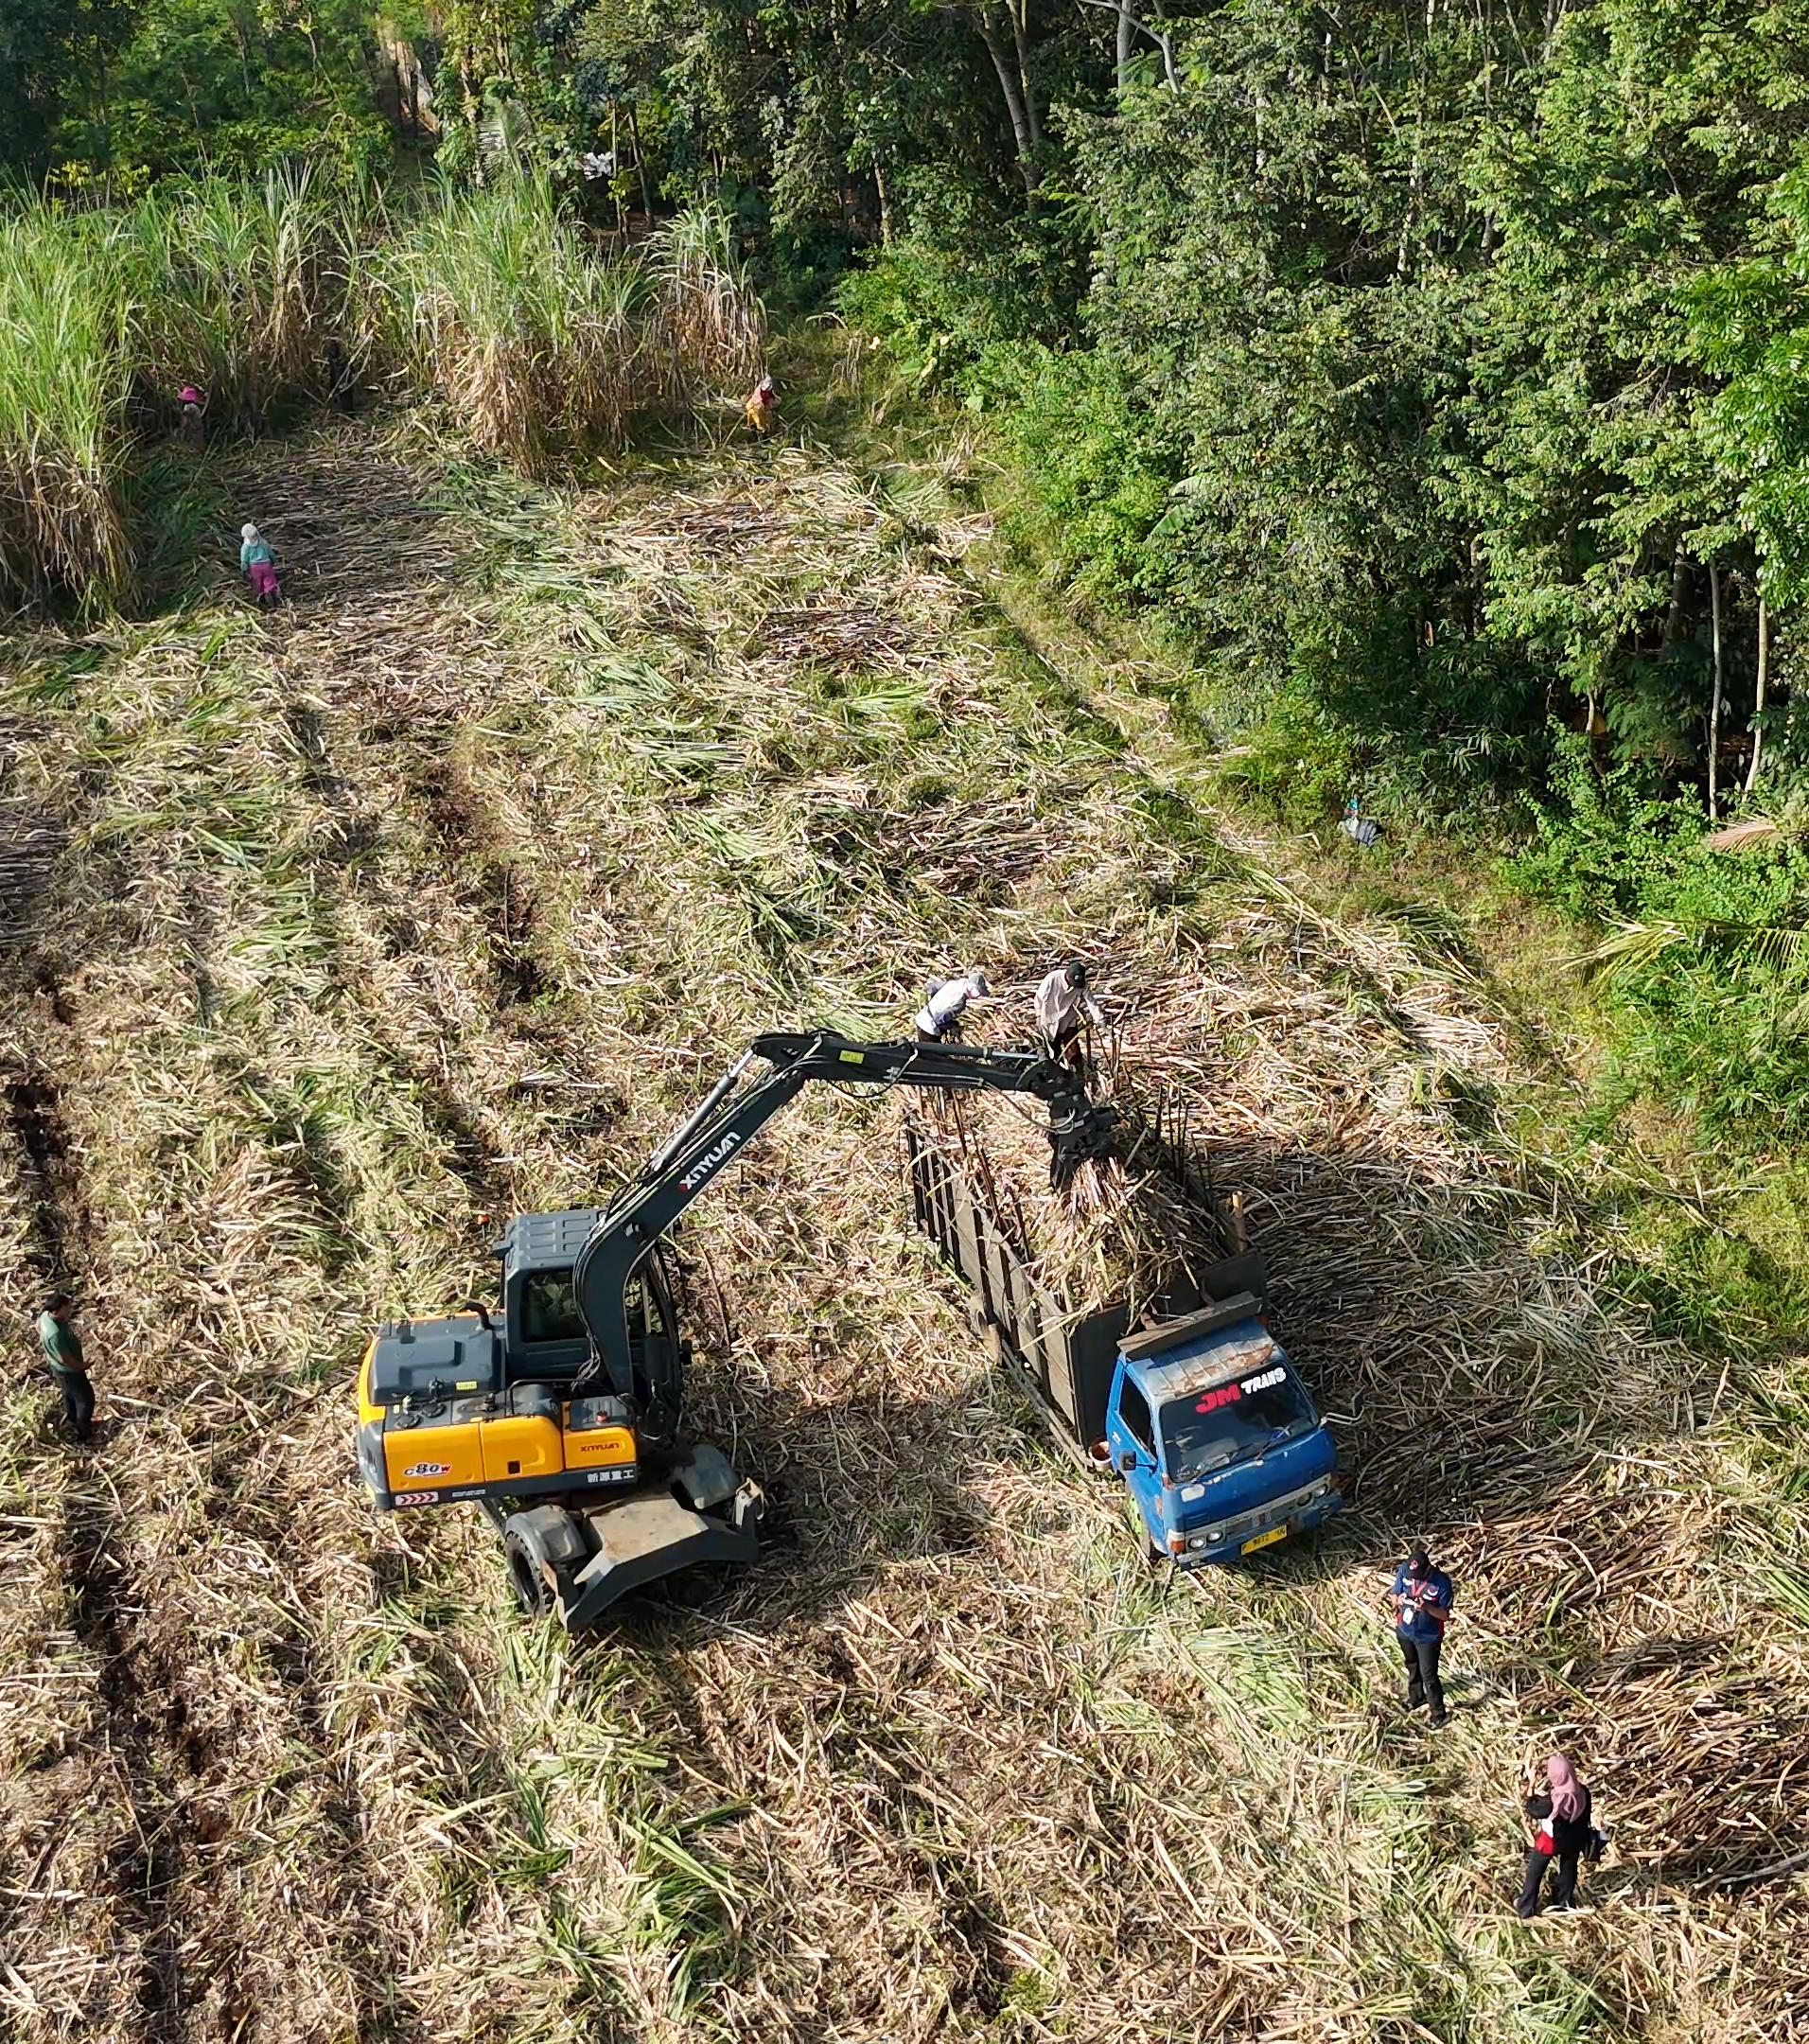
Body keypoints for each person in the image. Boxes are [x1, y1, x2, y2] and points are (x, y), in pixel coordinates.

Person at [1518, 1753, 1595, 1916]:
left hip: (1551, 1842)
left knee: (1534, 1872)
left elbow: (1532, 1809)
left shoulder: (1552, 1801)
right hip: (1575, 1839)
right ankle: (1563, 1903)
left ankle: (1526, 1908)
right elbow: (1586, 1815)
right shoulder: (1584, 1793)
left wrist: (1531, 1784)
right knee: (1569, 1870)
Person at [1391, 1541, 1455, 1727]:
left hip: (1428, 1636)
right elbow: (1394, 1595)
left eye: (1418, 1576)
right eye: (1412, 1576)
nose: (1415, 1579)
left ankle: (1439, 1713)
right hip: (1405, 1628)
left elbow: (1445, 1615)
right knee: (1411, 1665)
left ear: (1428, 1569)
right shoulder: (1403, 1570)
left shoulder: (1441, 1582)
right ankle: (1416, 1696)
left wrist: (1427, 1607)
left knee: (1429, 1674)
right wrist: (1399, 1600)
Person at [36, 1293, 95, 1443]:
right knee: (85, 1400)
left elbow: (38, 1327)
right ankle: (84, 1432)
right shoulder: (55, 1333)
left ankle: (71, 1419)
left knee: (68, 1393)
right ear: (56, 1311)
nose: (69, 1310)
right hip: (70, 1371)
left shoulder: (45, 1317)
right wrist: (83, 1366)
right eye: (66, 1308)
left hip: (58, 1368)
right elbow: (65, 1359)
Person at [1034, 959, 1105, 1072]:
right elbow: (1039, 998)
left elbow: (1091, 1001)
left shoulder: (1082, 985)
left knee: (1073, 1049)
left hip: (1067, 1018)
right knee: (1053, 1050)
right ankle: (1057, 1074)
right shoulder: (1052, 978)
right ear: (1067, 975)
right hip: (1049, 1017)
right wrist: (1038, 1016)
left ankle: (1078, 1073)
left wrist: (1100, 1019)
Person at [915, 971, 990, 1044]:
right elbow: (939, 1019)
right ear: (973, 989)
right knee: (933, 1055)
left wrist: (936, 1004)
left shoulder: (953, 984)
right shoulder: (960, 1001)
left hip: (921, 1018)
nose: (978, 996)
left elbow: (932, 987)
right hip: (929, 1028)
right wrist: (953, 1027)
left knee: (922, 1049)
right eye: (979, 993)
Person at [240, 522, 281, 608]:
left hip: (254, 567)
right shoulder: (263, 542)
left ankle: (261, 596)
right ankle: (270, 594)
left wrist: (244, 569)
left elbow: (244, 559)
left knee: (257, 583)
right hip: (266, 564)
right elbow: (270, 553)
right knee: (269, 581)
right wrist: (273, 561)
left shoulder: (245, 547)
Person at [323, 337, 356, 415]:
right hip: (340, 383)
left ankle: (348, 413)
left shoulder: (343, 362)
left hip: (343, 384)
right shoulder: (333, 362)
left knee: (346, 399)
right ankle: (345, 412)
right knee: (342, 398)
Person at [179, 384, 205, 452]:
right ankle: (201, 450)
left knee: (194, 439)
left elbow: (186, 418)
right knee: (199, 438)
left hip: (194, 426)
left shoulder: (188, 407)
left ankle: (195, 451)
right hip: (198, 425)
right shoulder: (195, 407)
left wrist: (183, 427)